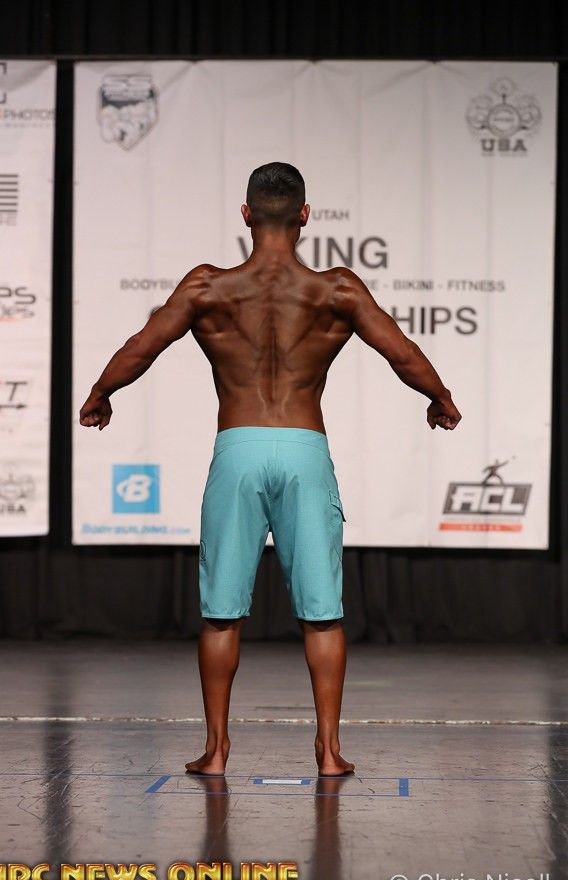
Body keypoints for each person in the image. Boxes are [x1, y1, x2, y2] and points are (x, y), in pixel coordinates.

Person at [80, 161, 461, 776]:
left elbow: (142, 346)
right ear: (306, 215)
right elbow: (403, 352)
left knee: (221, 611)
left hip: (238, 448)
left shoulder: (208, 287)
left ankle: (216, 751)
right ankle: (329, 752)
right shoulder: (337, 291)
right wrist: (439, 398)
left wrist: (102, 393)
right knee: (323, 611)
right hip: (305, 448)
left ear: (246, 214)